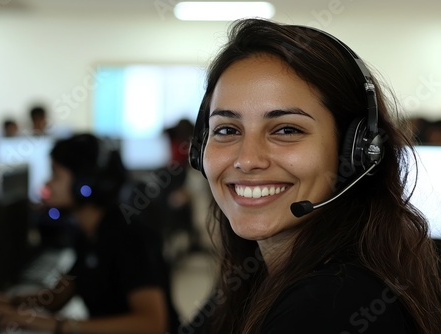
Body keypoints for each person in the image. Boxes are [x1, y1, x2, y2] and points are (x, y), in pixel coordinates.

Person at [186, 19, 441, 333]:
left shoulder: (332, 305)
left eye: (286, 130)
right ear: (200, 147)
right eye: (226, 130)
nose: (248, 160)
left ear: (357, 150)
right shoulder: (254, 277)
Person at [0, 133, 180, 333]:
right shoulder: (89, 234)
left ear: (84, 185)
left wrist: (53, 324)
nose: (47, 184)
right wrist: (11, 301)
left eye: (55, 175)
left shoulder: (128, 237)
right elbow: (58, 297)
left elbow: (152, 324)